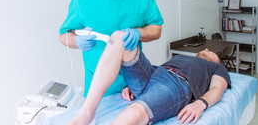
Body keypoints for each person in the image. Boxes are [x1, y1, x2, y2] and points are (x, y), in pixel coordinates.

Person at [59, 0, 164, 97]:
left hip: (134, 84)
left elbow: (156, 29)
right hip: (100, 88)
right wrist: (76, 41)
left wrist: (138, 33)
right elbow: (63, 35)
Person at [68, 31, 231, 125]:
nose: (208, 50)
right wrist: (129, 85)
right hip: (156, 73)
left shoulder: (215, 67)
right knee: (120, 37)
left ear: (216, 60)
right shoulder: (182, 58)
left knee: (135, 110)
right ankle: (87, 112)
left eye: (212, 53)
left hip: (177, 83)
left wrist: (200, 104)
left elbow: (217, 89)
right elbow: (156, 69)